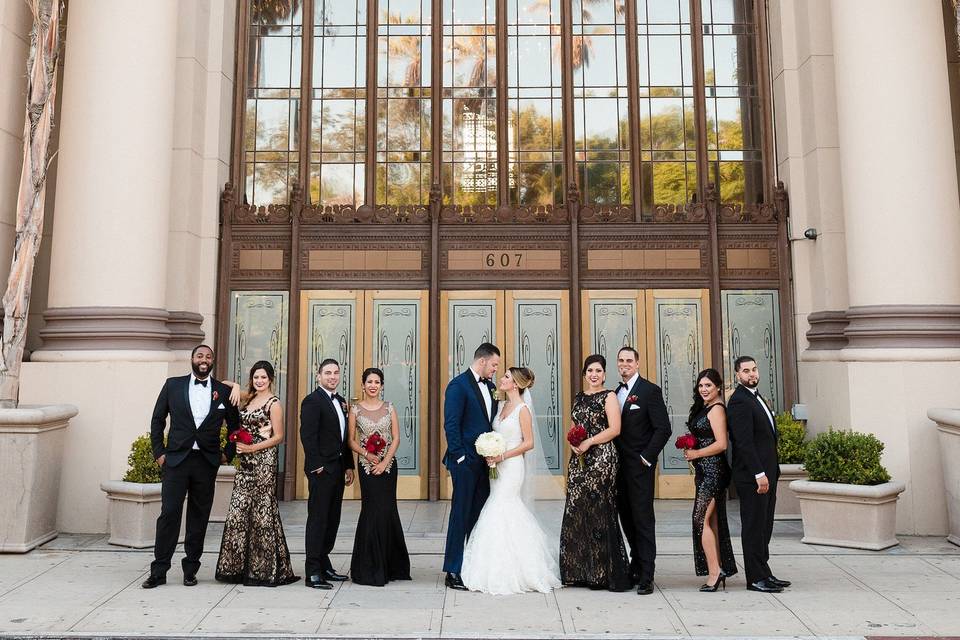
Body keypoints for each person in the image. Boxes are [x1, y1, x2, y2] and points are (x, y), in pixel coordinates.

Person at [142, 344, 240, 589]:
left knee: (199, 516)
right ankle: (159, 570)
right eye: (200, 356)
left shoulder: (223, 391)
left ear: (213, 361)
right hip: (176, 460)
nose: (204, 360)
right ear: (192, 359)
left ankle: (190, 569)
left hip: (206, 463)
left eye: (208, 356)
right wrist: (159, 454)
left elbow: (235, 426)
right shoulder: (172, 385)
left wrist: (226, 455)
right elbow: (157, 419)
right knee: (170, 513)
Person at [460, 367, 561, 595]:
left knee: (502, 506)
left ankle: (518, 568)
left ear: (515, 384)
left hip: (512, 467)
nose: (502, 379)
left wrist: (502, 455)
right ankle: (494, 562)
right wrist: (490, 450)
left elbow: (529, 443)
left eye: (506, 376)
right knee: (499, 507)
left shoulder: (522, 409)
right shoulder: (502, 406)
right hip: (496, 465)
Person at [215, 361, 299, 586]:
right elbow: (222, 385)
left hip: (264, 460)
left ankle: (264, 569)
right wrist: (234, 386)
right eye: (255, 378)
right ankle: (236, 567)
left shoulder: (274, 403)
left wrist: (253, 448)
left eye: (263, 377)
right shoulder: (248, 398)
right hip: (245, 463)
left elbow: (279, 436)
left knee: (262, 511)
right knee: (239, 510)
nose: (259, 381)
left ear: (270, 379)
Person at [559, 354, 630, 592]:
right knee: (577, 509)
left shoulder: (609, 396)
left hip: (602, 459)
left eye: (598, 371)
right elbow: (573, 427)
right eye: (590, 371)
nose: (594, 375)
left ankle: (602, 573)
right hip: (579, 459)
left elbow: (615, 429)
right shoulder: (579, 398)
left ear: (604, 374)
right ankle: (579, 571)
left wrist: (589, 442)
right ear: (584, 374)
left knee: (599, 510)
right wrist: (573, 444)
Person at [727, 355, 791, 593]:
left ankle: (764, 572)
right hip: (754, 477)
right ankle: (755, 578)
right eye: (746, 371)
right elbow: (743, 443)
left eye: (754, 369)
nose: (752, 374)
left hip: (769, 474)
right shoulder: (739, 401)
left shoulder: (756, 397)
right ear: (737, 375)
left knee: (765, 525)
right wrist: (759, 474)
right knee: (754, 527)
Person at [441, 342, 500, 590]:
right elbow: (451, 424)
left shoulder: (492, 387)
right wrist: (461, 457)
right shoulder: (458, 386)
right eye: (494, 364)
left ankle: (472, 565)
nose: (496, 369)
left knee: (479, 516)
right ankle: (453, 570)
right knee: (460, 515)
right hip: (465, 462)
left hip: (485, 463)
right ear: (483, 361)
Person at [613, 346, 671, 595]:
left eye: (629, 360)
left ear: (637, 363)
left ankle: (647, 574)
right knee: (626, 519)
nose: (624, 364)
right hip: (618, 469)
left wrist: (646, 458)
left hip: (640, 468)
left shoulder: (650, 391)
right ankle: (635, 566)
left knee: (643, 521)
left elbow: (663, 429)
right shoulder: (615, 393)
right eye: (621, 360)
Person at [347, 367, 411, 586]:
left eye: (377, 382)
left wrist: (384, 462)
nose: (373, 385)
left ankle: (391, 565)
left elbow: (396, 438)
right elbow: (351, 440)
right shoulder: (355, 410)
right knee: (371, 510)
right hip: (367, 466)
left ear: (381, 385)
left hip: (388, 466)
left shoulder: (389, 408)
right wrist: (367, 455)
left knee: (387, 509)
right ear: (363, 385)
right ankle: (369, 567)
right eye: (369, 382)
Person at [300, 358, 355, 589]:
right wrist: (316, 465)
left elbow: (344, 438)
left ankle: (324, 562)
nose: (332, 377)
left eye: (336, 373)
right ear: (318, 376)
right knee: (318, 519)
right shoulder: (312, 401)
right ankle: (312, 571)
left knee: (332, 519)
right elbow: (308, 436)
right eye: (328, 373)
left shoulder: (341, 401)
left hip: (338, 468)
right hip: (322, 470)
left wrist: (349, 465)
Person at [682, 368, 737, 591]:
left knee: (699, 519)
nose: (704, 389)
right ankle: (719, 566)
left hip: (714, 472)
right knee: (711, 521)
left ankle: (715, 572)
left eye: (708, 386)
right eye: (701, 385)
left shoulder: (717, 410)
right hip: (704, 471)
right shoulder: (704, 408)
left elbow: (722, 444)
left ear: (717, 388)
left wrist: (696, 453)